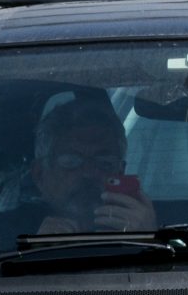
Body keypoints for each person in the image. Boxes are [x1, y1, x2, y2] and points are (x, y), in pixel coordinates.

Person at [12, 96, 157, 237]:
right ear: (40, 174)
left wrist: (147, 240)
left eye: (104, 163)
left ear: (120, 172)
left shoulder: (144, 225)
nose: (89, 172)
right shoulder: (8, 238)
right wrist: (36, 253)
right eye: (71, 162)